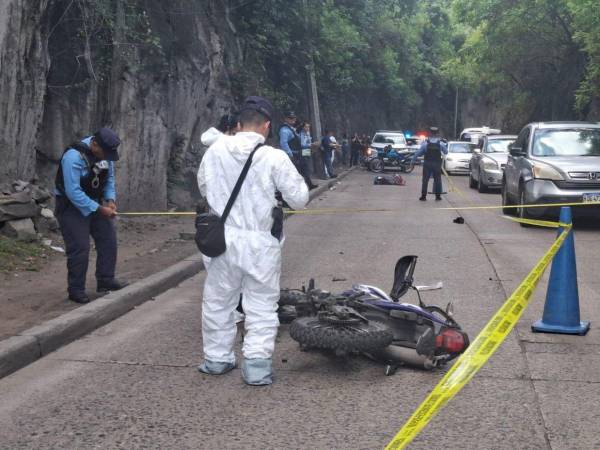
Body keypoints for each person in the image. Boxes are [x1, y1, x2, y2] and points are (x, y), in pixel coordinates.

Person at [197, 96, 308, 386]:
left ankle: (217, 359)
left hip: (222, 239)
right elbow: (300, 198)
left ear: (238, 123)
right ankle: (256, 367)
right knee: (260, 304)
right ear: (267, 126)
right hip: (260, 242)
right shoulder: (273, 157)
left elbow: (204, 187)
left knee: (219, 301)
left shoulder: (215, 150)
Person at [54, 128, 128, 304]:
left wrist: (110, 199)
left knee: (108, 239)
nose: (107, 158)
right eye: (105, 154)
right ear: (94, 144)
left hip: (94, 201)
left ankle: (105, 280)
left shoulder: (105, 155)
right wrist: (99, 209)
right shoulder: (73, 157)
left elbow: (109, 179)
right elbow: (73, 192)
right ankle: (76, 290)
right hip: (70, 206)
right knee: (80, 247)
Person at [411, 126, 448, 201]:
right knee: (438, 180)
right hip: (437, 164)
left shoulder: (425, 143)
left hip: (427, 163)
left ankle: (423, 196)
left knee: (425, 180)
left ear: (429, 133)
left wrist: (412, 161)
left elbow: (418, 153)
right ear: (437, 133)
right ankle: (438, 196)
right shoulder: (440, 143)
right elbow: (446, 152)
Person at [298, 122, 318, 189]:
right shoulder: (302, 134)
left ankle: (309, 184)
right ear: (303, 127)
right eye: (306, 127)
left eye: (308, 127)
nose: (308, 128)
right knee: (306, 168)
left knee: (307, 167)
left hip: (307, 151)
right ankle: (309, 184)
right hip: (304, 151)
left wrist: (312, 145)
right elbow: (302, 145)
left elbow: (308, 142)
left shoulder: (307, 133)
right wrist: (311, 144)